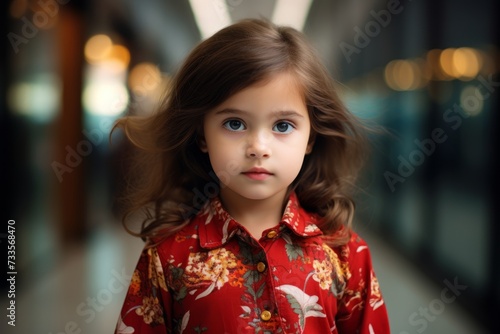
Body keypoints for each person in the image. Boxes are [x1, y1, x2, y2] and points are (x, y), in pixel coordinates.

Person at [114, 18, 390, 334]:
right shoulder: (166, 257)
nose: (258, 147)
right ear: (202, 135)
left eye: (283, 126)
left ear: (311, 137)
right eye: (234, 123)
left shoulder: (346, 254)